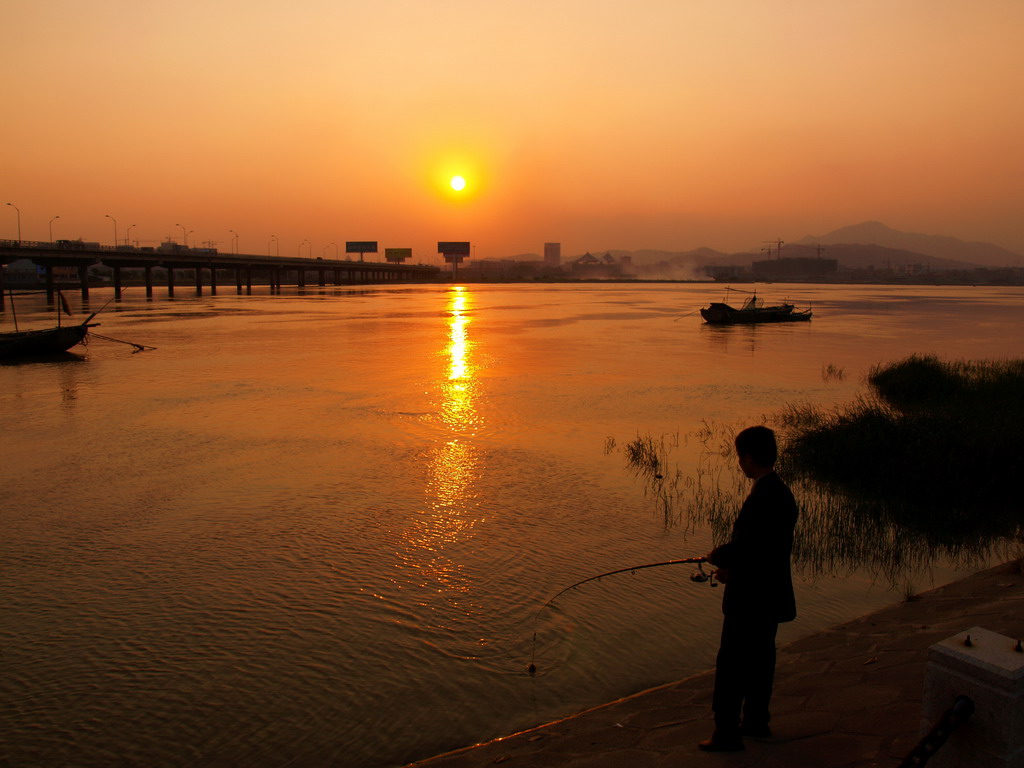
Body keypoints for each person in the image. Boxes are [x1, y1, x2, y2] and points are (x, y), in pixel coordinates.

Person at [698, 425, 798, 752]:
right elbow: (765, 550)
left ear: (749, 458)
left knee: (732, 664)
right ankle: (756, 721)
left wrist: (718, 556)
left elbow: (747, 548)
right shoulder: (783, 493)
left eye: (740, 457)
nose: (739, 463)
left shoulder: (761, 498)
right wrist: (731, 568)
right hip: (770, 595)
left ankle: (726, 733)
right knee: (761, 660)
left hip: (749, 600)